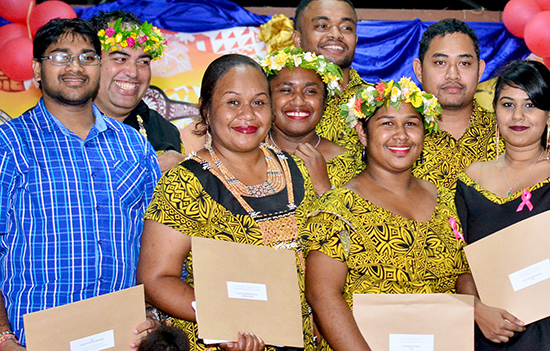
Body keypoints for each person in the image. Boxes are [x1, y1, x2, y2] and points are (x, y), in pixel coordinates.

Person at [136, 54, 317, 351]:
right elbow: (156, 278)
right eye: (233, 102)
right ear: (206, 110)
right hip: (226, 342)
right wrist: (224, 322)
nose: (247, 115)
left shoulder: (297, 169)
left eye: (259, 103)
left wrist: (318, 312)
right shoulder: (183, 183)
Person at [0, 18, 161, 349]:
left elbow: (156, 245)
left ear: (99, 67)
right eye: (60, 56)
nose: (75, 67)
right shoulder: (10, 144)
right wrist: (3, 336)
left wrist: (154, 314)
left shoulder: (134, 145)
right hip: (36, 338)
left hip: (124, 336)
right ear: (36, 69)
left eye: (87, 57)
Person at [303, 78, 470, 351]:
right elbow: (322, 295)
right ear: (362, 133)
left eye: (411, 124)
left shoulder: (445, 199)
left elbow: (462, 272)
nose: (401, 135)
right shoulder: (338, 207)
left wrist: (480, 309)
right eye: (387, 123)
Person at [455, 59, 550, 350]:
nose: (518, 115)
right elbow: (458, 266)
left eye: (531, 105)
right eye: (508, 105)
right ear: (495, 111)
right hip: (489, 332)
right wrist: (478, 310)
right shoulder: (471, 179)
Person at [89, 10, 186, 173]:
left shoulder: (163, 131)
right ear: (91, 62)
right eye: (121, 59)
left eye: (143, 62)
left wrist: (189, 170)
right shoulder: (64, 124)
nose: (133, 72)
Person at [411, 18, 501, 190]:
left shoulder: (506, 134)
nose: (453, 75)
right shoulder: (400, 137)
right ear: (419, 70)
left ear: (480, 71)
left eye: (464, 63)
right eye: (440, 63)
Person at [259, 47, 363, 195]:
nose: (298, 101)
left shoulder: (347, 163)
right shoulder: (247, 152)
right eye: (286, 90)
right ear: (267, 97)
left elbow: (355, 216)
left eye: (310, 92)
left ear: (325, 101)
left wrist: (323, 187)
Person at [292, 0, 368, 156]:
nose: (336, 34)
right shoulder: (275, 97)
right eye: (322, 26)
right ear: (297, 39)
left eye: (346, 28)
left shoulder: (378, 102)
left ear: (356, 38)